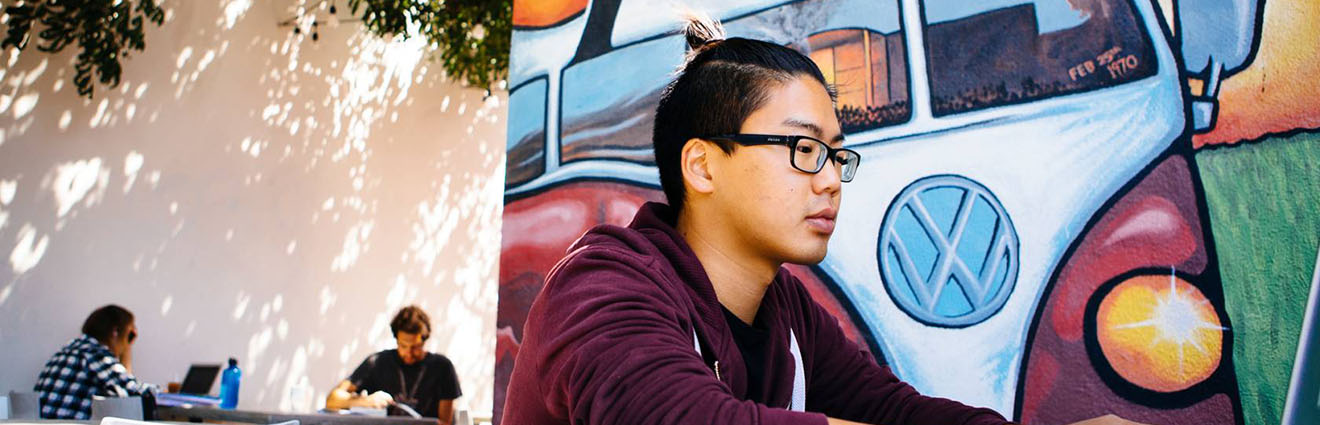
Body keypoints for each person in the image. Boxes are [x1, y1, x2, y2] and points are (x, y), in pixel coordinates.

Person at [500, 16, 1148, 425]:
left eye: (837, 154)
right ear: (701, 165)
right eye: (804, 149)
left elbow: (893, 408)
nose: (832, 176)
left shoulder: (786, 310)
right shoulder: (603, 285)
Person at [327, 305, 461, 424]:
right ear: (396, 339)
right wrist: (365, 401)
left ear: (424, 341)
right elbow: (333, 399)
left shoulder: (442, 367)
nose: (408, 353)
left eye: (415, 347)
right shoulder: (377, 362)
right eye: (403, 346)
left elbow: (445, 422)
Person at [34, 304, 154, 419]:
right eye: (130, 335)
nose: (129, 343)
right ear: (115, 332)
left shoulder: (69, 350)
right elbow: (139, 394)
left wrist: (125, 349)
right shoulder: (95, 355)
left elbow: (123, 396)